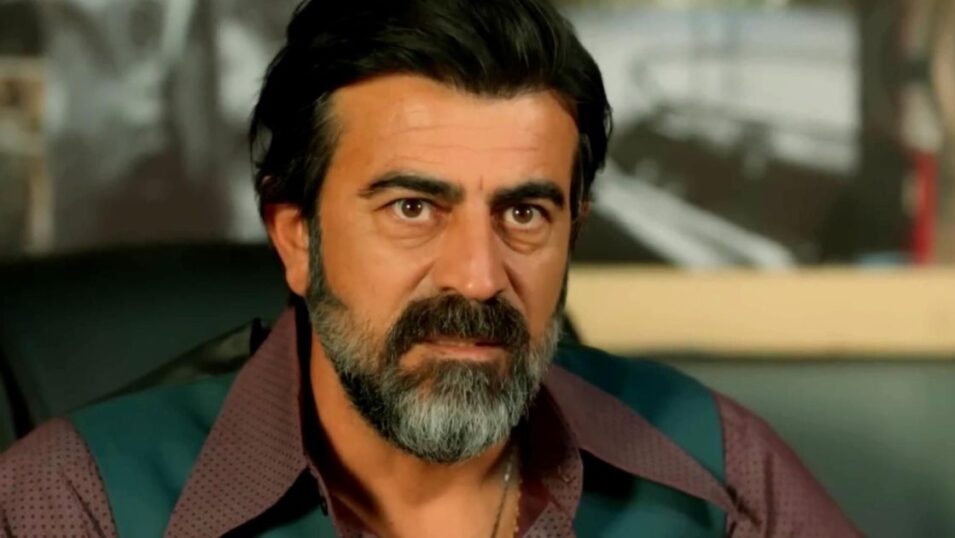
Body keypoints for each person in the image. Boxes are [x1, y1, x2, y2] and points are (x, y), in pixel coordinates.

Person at [0, 0, 860, 536]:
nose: (478, 278)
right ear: (297, 238)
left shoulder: (715, 466)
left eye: (524, 214)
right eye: (413, 208)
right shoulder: (74, 503)